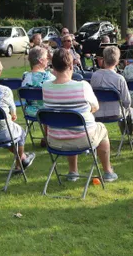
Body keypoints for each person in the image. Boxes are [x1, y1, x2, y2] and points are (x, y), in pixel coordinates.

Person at [42, 48, 118, 182]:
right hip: (83, 139)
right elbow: (95, 107)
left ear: (53, 66)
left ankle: (73, 171)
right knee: (101, 129)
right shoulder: (82, 86)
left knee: (68, 126)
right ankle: (108, 171)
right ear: (71, 66)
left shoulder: (46, 87)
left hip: (55, 140)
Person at [90, 46, 133, 144]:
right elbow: (127, 102)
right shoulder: (119, 79)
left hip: (96, 113)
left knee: (126, 110)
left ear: (104, 59)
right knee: (129, 110)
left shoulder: (94, 76)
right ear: (117, 61)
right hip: (115, 114)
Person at [21, 46, 55, 141]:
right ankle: (50, 138)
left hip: (30, 111)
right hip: (47, 112)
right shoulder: (49, 77)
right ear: (40, 60)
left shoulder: (25, 76)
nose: (48, 59)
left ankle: (47, 137)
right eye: (46, 57)